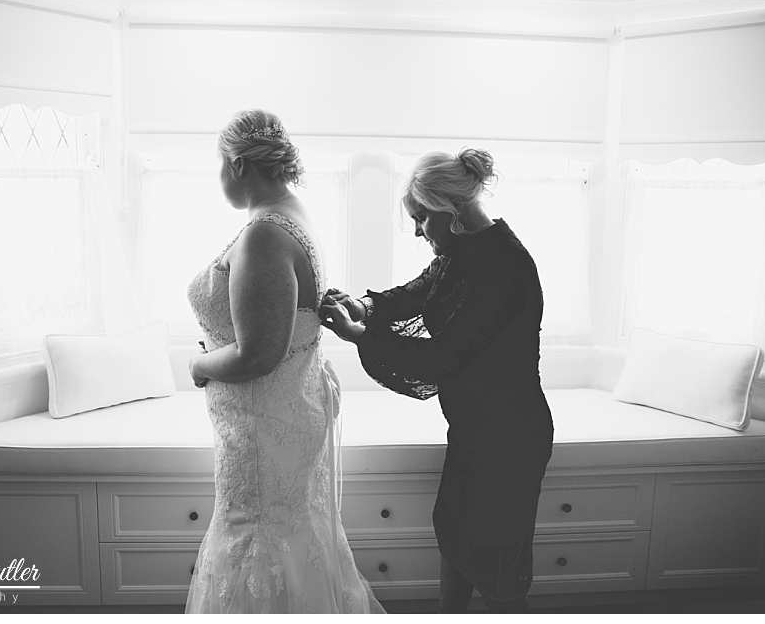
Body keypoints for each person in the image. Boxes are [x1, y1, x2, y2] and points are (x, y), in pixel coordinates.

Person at [320, 148, 554, 614]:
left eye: (422, 218)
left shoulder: (505, 265)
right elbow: (415, 293)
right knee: (455, 541)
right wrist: (363, 307)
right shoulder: (460, 252)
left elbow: (441, 358)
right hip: (474, 432)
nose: (417, 231)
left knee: (498, 571)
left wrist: (360, 335)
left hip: (509, 441)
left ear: (453, 209)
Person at [184, 109, 384, 614]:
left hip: (263, 427)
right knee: (290, 532)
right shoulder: (293, 212)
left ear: (237, 164)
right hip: (283, 412)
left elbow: (258, 354)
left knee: (259, 535)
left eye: (219, 163)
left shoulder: (264, 234)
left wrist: (199, 366)